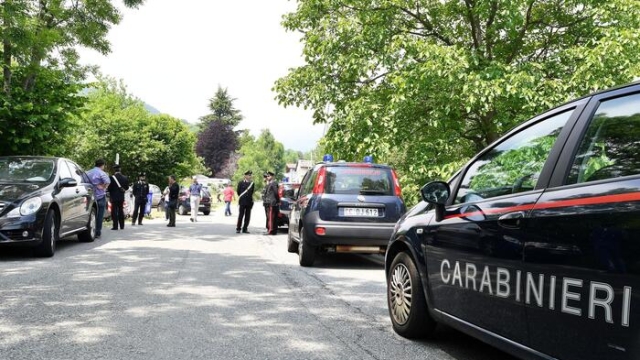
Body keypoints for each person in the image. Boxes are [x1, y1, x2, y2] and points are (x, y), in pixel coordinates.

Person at [86, 159, 111, 239]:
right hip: (100, 196)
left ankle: (89, 231)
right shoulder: (102, 173)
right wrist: (102, 187)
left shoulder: (88, 172)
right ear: (102, 165)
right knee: (99, 215)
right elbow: (107, 181)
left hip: (89, 196)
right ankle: (97, 232)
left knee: (90, 214)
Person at [107, 164, 129, 230]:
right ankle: (122, 226)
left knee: (114, 211)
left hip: (113, 197)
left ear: (114, 170)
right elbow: (127, 187)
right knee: (120, 211)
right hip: (121, 197)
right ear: (120, 169)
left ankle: (115, 226)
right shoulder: (125, 177)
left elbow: (109, 188)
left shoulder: (111, 178)